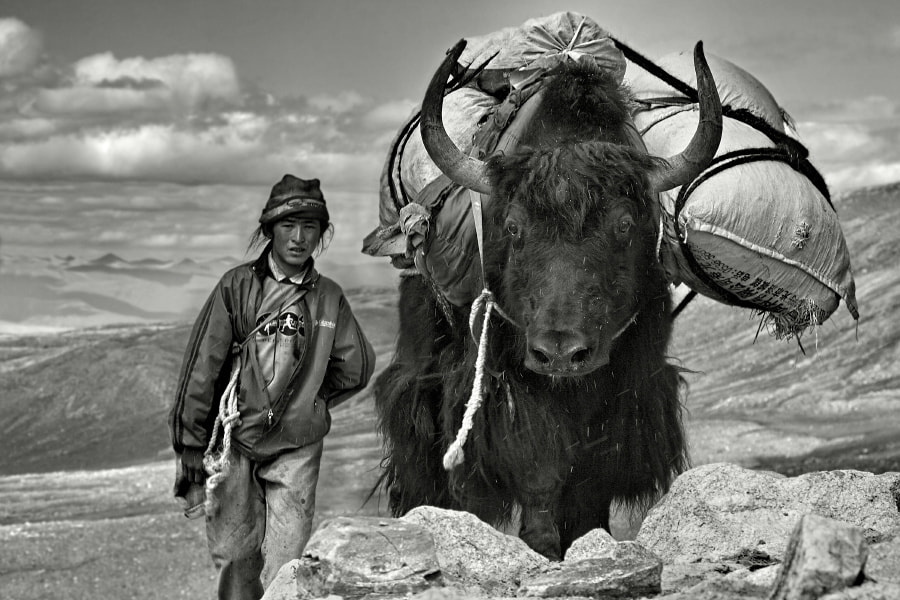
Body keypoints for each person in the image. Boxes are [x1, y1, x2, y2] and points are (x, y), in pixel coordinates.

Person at [168, 174, 376, 599]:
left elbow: (356, 366)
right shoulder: (237, 287)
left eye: (310, 228)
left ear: (321, 234)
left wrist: (310, 401)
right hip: (236, 442)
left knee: (287, 563)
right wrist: (190, 443)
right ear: (269, 230)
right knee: (237, 556)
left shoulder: (329, 298)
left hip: (296, 449)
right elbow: (202, 367)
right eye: (288, 226)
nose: (298, 238)